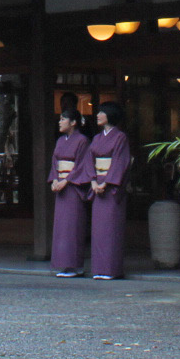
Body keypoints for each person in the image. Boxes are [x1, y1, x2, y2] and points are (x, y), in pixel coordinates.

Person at [80, 101, 132, 280]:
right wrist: (93, 181)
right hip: (98, 186)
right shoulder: (96, 138)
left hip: (111, 189)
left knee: (111, 229)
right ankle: (99, 269)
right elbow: (89, 160)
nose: (97, 115)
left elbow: (120, 162)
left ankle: (111, 269)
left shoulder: (120, 137)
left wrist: (107, 183)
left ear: (110, 115)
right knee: (98, 230)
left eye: (101, 112)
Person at [48, 108, 91, 277]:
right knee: (61, 227)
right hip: (61, 186)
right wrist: (54, 180)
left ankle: (74, 266)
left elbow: (81, 165)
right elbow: (55, 163)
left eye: (63, 119)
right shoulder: (60, 141)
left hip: (73, 187)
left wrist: (66, 180)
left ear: (73, 122)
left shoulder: (82, 141)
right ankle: (63, 264)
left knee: (73, 226)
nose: (59, 122)